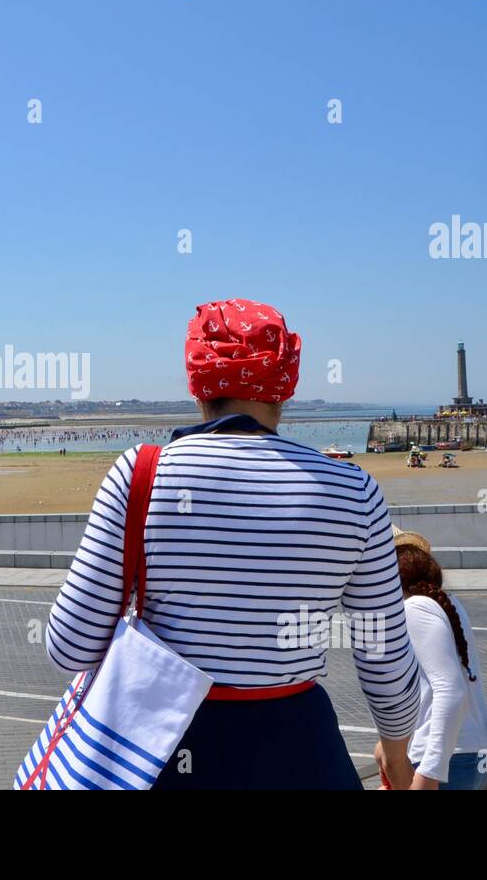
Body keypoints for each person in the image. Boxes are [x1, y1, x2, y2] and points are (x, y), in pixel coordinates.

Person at [43, 298, 422, 790]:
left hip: (165, 750)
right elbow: (385, 659)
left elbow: (69, 648)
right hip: (301, 753)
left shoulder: (141, 474)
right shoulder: (353, 490)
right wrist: (396, 756)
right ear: (285, 386)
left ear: (198, 384)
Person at [378, 529, 487, 790]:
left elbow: (450, 689)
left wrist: (430, 771)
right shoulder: (447, 604)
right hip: (474, 756)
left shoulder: (414, 609)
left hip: (445, 763)